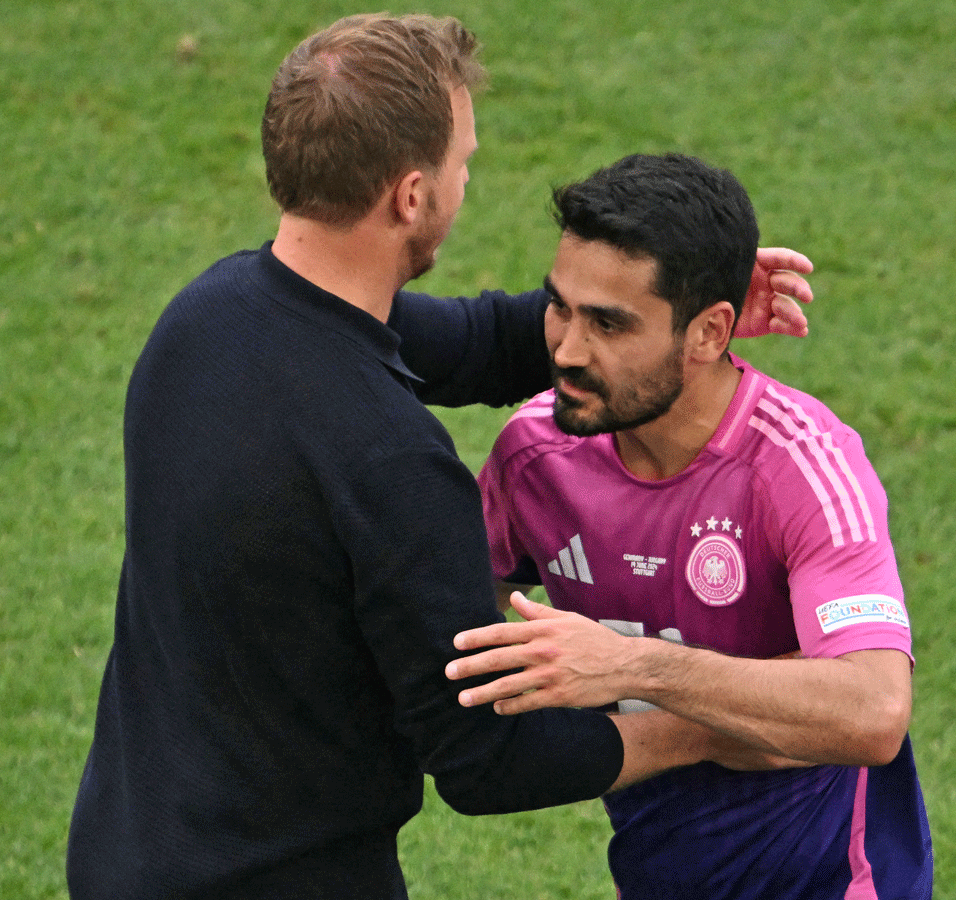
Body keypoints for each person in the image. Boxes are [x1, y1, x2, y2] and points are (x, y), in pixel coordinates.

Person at [64, 15, 816, 900]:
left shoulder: (206, 320)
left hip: (125, 855)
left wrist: (662, 310)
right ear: (411, 195)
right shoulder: (393, 463)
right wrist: (705, 726)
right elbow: (484, 760)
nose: (468, 182)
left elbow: (471, 340)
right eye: (464, 163)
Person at [449, 153, 932, 899]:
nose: (567, 351)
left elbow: (874, 710)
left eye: (609, 323)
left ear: (710, 333)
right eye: (560, 308)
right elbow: (455, 626)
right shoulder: (535, 456)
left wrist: (634, 667)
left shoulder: (801, 466)